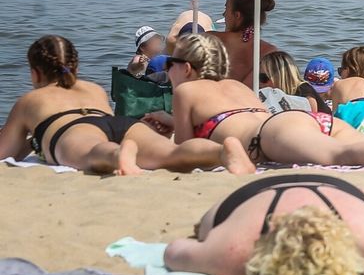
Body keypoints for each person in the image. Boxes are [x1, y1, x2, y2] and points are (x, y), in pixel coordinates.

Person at [167, 34, 364, 167]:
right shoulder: (238, 88)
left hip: (272, 136)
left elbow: (181, 146)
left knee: (344, 154)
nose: (168, 71)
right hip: (300, 122)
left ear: (187, 68)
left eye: (171, 64)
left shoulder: (186, 91)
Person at [0, 35, 253, 176]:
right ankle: (221, 151)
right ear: (75, 66)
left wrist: (34, 137)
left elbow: (5, 153)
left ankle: (118, 155)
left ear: (35, 74)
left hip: (74, 129)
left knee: (94, 152)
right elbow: (108, 125)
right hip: (122, 124)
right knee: (171, 155)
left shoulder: (29, 100)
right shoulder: (93, 89)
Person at [163, 175, 364, 275]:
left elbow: (174, 250)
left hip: (255, 198)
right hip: (336, 194)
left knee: (203, 230)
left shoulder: (234, 254)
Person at [209, 0, 279, 87]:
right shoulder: (269, 51)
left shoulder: (209, 39)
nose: (223, 14)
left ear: (237, 15)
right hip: (246, 100)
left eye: (226, 9)